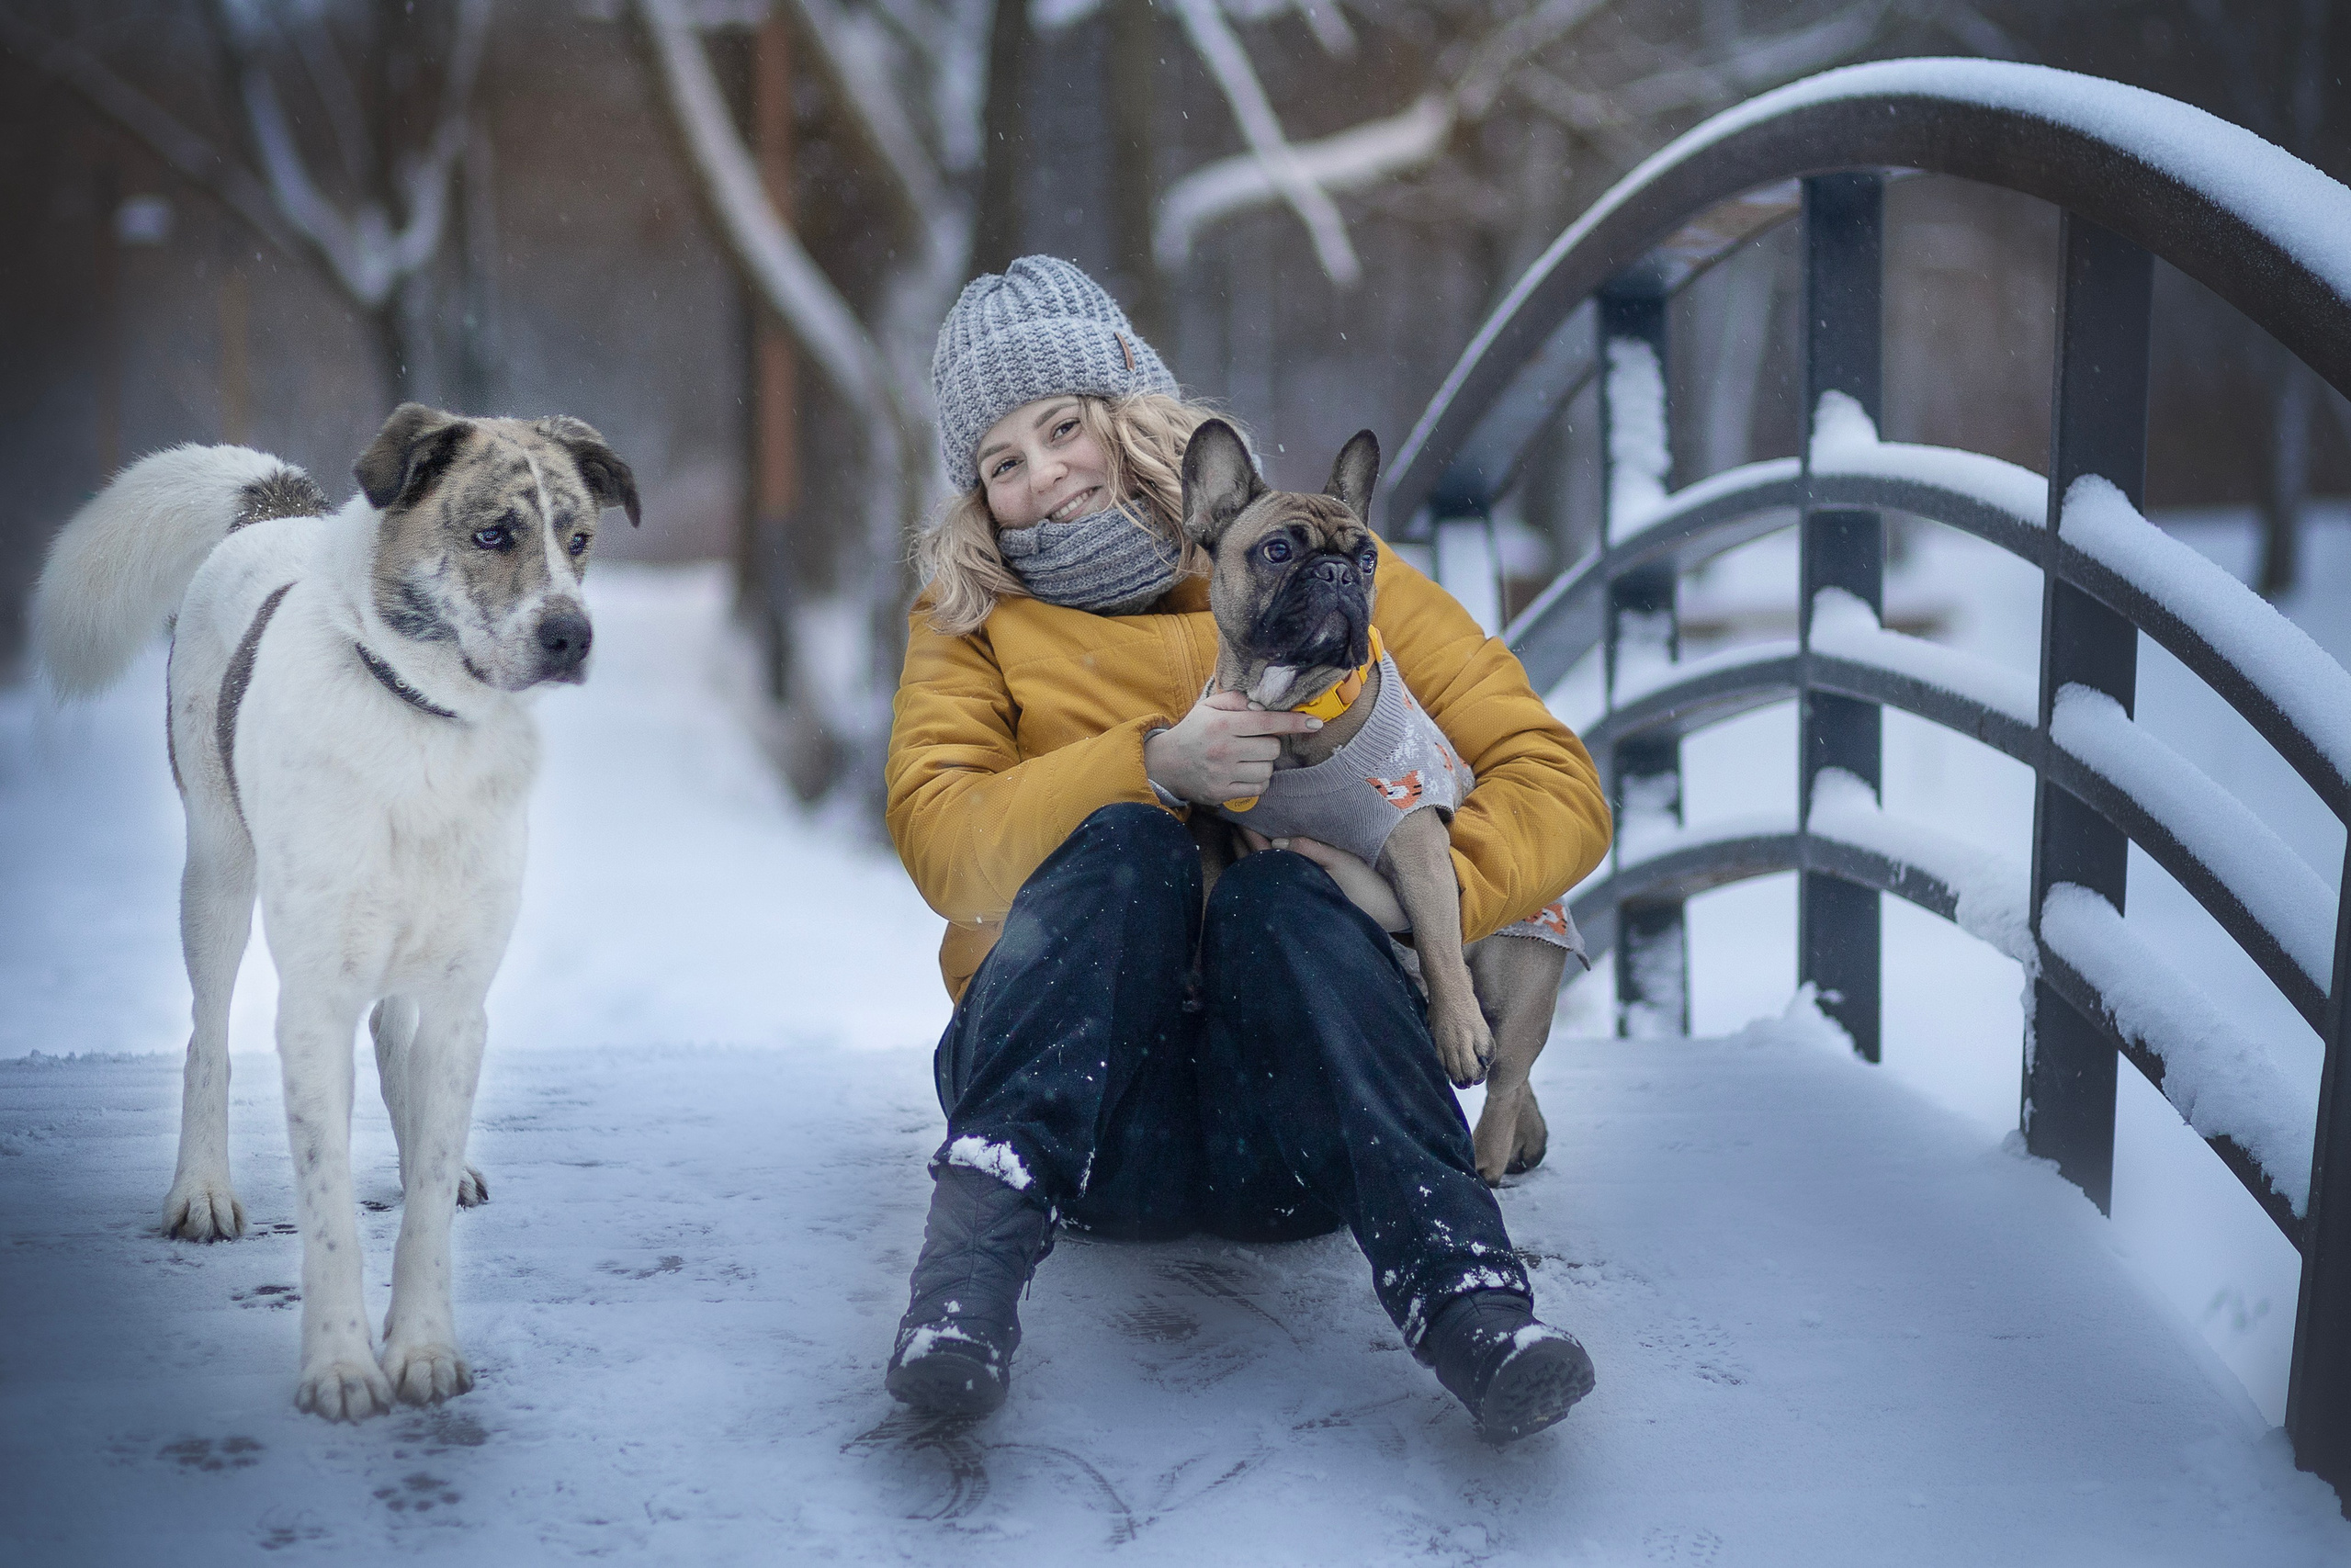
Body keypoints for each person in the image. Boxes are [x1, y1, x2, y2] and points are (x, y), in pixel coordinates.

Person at [883, 255, 1612, 1439]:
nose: (1046, 474)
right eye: (1001, 461)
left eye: (1064, 426)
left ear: (1128, 413)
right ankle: (959, 1299)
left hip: (1291, 1116)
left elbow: (1559, 782)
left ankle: (1471, 1301)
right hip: (1081, 1117)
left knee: (1282, 892)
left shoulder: (1322, 569)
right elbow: (938, 840)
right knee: (1128, 847)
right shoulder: (969, 620)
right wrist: (1150, 766)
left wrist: (1402, 895)